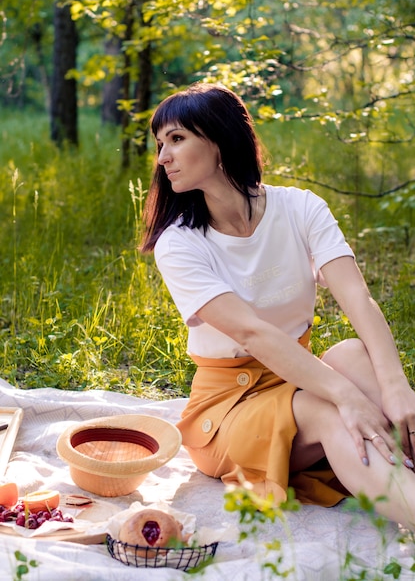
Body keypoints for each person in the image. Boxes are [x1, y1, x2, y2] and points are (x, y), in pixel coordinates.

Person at [141, 82, 415, 528]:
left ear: (220, 139)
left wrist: (397, 387)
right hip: (228, 408)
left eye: (176, 139)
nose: (162, 158)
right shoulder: (179, 244)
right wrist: (345, 395)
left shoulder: (301, 208)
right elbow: (252, 333)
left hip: (297, 376)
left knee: (352, 354)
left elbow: (358, 300)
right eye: (159, 144)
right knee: (330, 410)